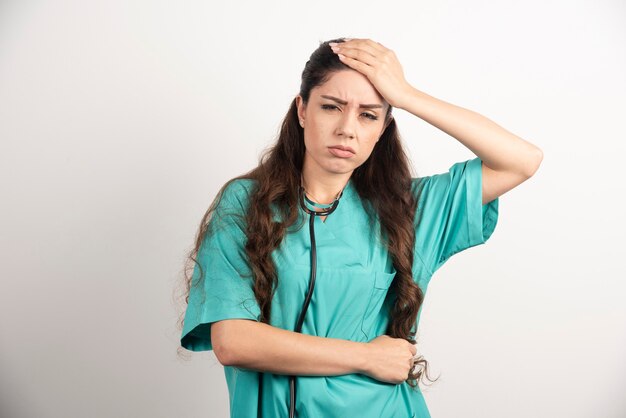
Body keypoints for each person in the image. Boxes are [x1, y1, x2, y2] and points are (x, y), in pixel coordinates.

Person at [177, 37, 543, 418]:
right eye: (331, 107)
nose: (347, 129)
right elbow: (234, 341)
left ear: (384, 126)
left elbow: (521, 161)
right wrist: (366, 357)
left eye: (368, 114)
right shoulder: (245, 203)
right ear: (302, 110)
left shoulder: (411, 209)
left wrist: (405, 95)